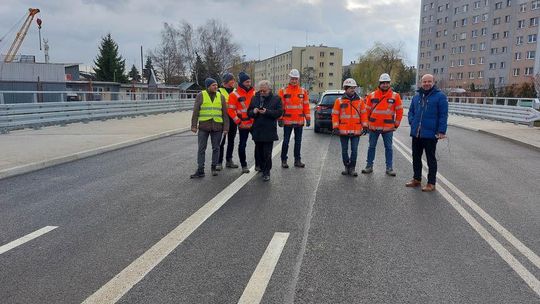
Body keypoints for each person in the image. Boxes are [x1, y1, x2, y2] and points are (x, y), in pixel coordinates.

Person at [406, 74, 448, 192]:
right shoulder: (416, 97)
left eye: (429, 81)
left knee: (430, 159)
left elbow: (443, 115)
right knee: (416, 157)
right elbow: (411, 112)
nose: (427, 83)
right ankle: (417, 179)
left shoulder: (440, 97)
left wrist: (441, 131)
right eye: (424, 81)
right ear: (421, 83)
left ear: (433, 82)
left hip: (430, 134)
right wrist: (412, 122)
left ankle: (431, 183)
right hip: (417, 133)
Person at [361, 73, 403, 176]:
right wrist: (366, 125)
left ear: (389, 84)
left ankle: (389, 168)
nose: (385, 85)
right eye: (383, 83)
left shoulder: (395, 96)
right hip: (373, 127)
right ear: (379, 84)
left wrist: (396, 125)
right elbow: (366, 111)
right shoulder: (372, 95)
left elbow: (400, 111)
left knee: (388, 148)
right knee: (371, 147)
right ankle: (369, 166)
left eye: (387, 83)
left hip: (388, 128)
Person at [190, 78, 229, 178]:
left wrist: (226, 128)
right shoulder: (201, 95)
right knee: (201, 148)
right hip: (204, 126)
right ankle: (200, 170)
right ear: (208, 86)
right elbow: (196, 111)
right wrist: (194, 125)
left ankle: (214, 167)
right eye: (213, 85)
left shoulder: (221, 97)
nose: (216, 87)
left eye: (216, 85)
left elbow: (225, 114)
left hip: (217, 127)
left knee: (216, 148)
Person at [331, 78, 368, 177]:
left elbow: (364, 114)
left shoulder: (360, 101)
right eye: (350, 88)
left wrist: (365, 126)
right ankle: (346, 166)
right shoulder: (339, 101)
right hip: (343, 131)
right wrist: (335, 127)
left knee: (354, 150)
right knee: (344, 150)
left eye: (354, 88)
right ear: (345, 89)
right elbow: (335, 115)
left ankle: (352, 168)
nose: (352, 90)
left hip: (356, 131)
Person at [248, 80, 283, 181]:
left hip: (269, 130)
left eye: (264, 91)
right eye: (260, 91)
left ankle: (266, 172)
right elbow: (249, 112)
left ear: (269, 89)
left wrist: (267, 112)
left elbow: (279, 112)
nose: (262, 93)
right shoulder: (255, 98)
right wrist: (253, 111)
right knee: (259, 151)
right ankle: (260, 166)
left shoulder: (276, 99)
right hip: (257, 129)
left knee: (267, 152)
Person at [278, 69, 311, 169]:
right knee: (286, 141)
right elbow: (280, 106)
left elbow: (306, 106)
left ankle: (297, 160)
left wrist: (308, 118)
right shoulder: (283, 91)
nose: (294, 81)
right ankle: (284, 160)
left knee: (298, 142)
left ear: (298, 80)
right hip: (287, 121)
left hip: (299, 121)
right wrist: (280, 118)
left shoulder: (303, 91)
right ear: (289, 79)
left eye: (295, 79)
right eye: (292, 79)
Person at [227, 72, 255, 173]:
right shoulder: (234, 95)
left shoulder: (254, 93)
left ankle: (259, 164)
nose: (249, 83)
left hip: (254, 124)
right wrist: (238, 122)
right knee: (242, 145)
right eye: (247, 82)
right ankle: (244, 165)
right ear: (242, 82)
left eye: (249, 81)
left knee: (259, 143)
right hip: (243, 124)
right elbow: (230, 110)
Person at [217, 73, 239, 170]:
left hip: (233, 119)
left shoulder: (236, 91)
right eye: (231, 80)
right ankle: (219, 162)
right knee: (221, 142)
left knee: (231, 141)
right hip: (223, 120)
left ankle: (229, 160)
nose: (233, 81)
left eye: (234, 80)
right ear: (226, 81)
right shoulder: (219, 91)